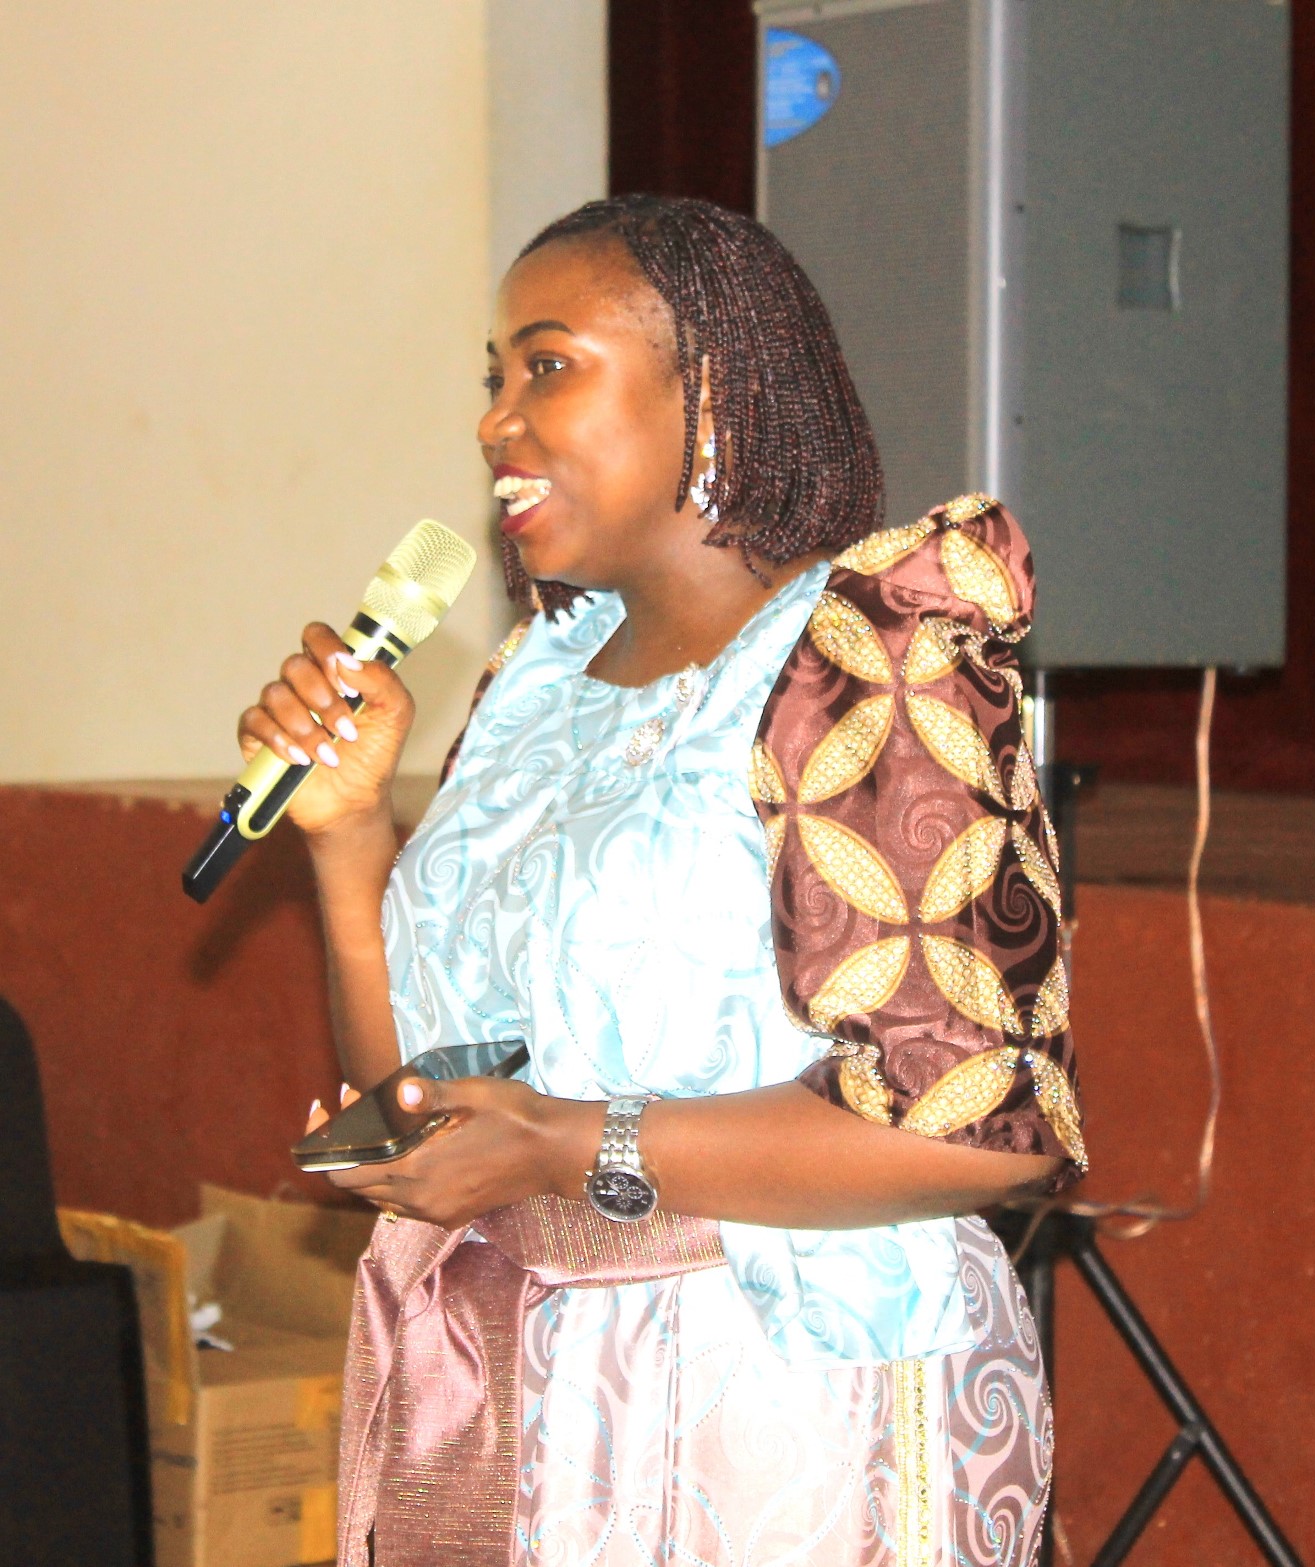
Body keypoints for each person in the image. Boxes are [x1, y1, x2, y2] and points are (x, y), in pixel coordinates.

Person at [243, 195, 1086, 1567]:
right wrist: (345, 841)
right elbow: (441, 1093)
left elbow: (976, 1129)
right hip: (535, 1393)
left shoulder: (863, 659)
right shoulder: (536, 684)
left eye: (548, 366)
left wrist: (573, 1146)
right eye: (493, 380)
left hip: (787, 1409)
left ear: (717, 399)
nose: (493, 424)